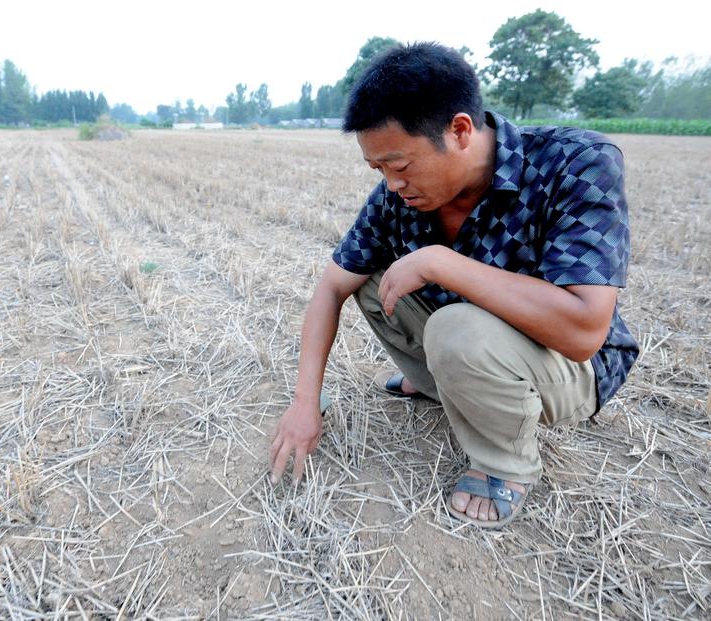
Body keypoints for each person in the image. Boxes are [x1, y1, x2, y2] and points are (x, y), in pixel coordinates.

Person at [268, 42, 639, 528]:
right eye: (378, 170)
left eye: (400, 166)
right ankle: (442, 384)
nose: (391, 184)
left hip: (571, 367)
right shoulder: (397, 197)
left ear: (460, 130)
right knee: (371, 282)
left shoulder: (575, 163)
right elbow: (331, 288)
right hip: (475, 339)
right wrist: (304, 404)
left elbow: (584, 331)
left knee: (455, 329)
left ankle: (506, 466)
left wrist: (443, 263)